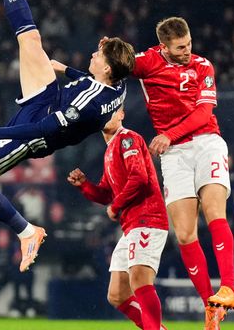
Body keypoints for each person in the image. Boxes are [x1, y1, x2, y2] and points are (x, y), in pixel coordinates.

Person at [0, 0, 135, 272]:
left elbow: (43, 129)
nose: (93, 56)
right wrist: (66, 69)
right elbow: (95, 84)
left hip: (36, 134)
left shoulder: (88, 103)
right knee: (29, 39)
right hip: (51, 98)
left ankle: (28, 231)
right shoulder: (116, 84)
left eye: (98, 57)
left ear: (106, 70)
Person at [132, 17, 234, 326]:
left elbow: (204, 112)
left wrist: (168, 135)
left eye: (189, 43)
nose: (187, 50)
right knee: (185, 233)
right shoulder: (149, 61)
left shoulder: (203, 66)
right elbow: (117, 63)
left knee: (214, 212)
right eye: (180, 47)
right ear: (164, 47)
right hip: (175, 155)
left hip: (206, 143)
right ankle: (210, 306)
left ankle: (228, 287)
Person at [67, 109, 171, 330]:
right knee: (117, 294)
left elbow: (140, 177)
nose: (106, 116)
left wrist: (116, 206)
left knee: (140, 281)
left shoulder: (127, 139)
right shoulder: (110, 150)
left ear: (122, 114)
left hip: (147, 218)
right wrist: (85, 185)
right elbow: (106, 193)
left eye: (111, 112)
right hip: (131, 225)